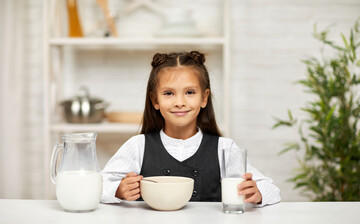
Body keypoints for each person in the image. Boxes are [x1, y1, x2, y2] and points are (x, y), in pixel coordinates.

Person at [101, 51, 280, 206]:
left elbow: (272, 190)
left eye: (190, 92)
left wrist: (257, 193)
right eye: (169, 93)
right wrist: (117, 190)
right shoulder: (138, 145)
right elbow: (99, 185)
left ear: (204, 98)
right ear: (155, 100)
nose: (179, 103)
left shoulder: (224, 148)